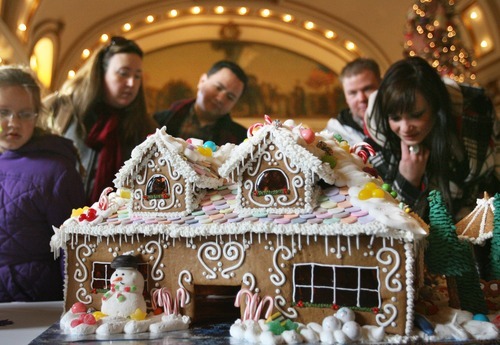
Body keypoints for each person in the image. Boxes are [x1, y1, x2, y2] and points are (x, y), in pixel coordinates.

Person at [365, 56, 498, 221]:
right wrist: (408, 179)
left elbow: (492, 174)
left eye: (416, 115)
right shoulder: (376, 141)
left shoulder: (476, 109)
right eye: (395, 118)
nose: (405, 128)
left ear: (436, 106)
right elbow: (388, 220)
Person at [0, 65, 85, 301]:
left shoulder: (56, 170)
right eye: (3, 112)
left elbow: (73, 247)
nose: (13, 123)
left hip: (34, 301)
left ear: (38, 115)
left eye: (25, 114)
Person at [45, 36, 155, 204]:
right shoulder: (63, 110)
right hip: (58, 215)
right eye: (123, 74)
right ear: (101, 73)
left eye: (137, 76)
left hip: (116, 225)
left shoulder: (145, 128)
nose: (131, 83)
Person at [154, 60, 248, 145]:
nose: (220, 99)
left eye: (230, 97)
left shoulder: (242, 139)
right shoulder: (158, 122)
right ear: (202, 81)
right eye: (218, 88)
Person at [322, 58, 381, 144]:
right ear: (346, 97)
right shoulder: (333, 134)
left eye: (367, 89)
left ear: (381, 86)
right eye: (353, 93)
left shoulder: (401, 121)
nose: (361, 98)